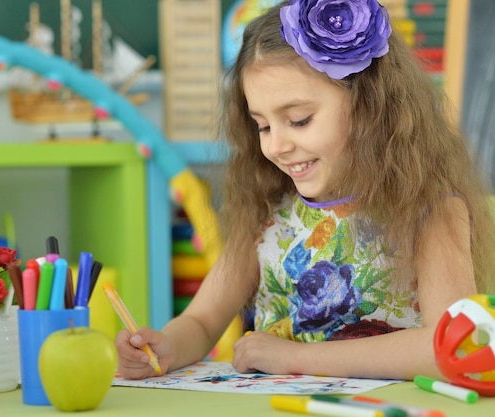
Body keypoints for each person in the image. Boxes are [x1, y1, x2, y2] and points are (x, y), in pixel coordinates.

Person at [116, 0, 495, 381]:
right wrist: (165, 346)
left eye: (299, 120)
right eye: (263, 126)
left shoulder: (429, 210)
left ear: (369, 108)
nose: (276, 145)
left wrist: (298, 359)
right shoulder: (267, 212)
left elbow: (452, 347)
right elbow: (200, 321)